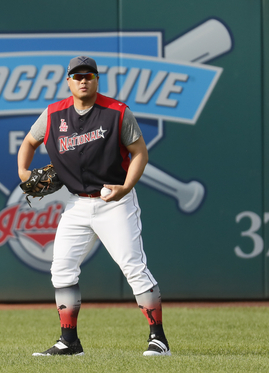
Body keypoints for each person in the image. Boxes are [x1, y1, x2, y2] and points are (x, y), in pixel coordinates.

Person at [17, 56, 170, 357]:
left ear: (97, 79)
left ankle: (159, 339)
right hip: (77, 204)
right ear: (68, 81)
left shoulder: (116, 112)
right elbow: (29, 142)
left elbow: (140, 153)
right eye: (77, 76)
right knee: (61, 270)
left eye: (88, 75)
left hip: (115, 201)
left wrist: (126, 186)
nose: (83, 80)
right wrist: (23, 173)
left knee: (133, 267)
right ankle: (69, 342)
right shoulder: (53, 114)